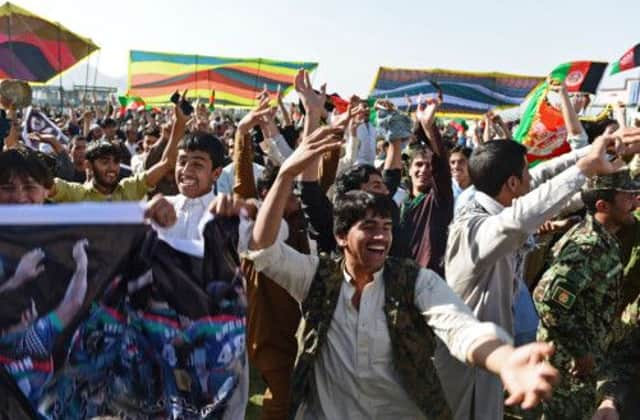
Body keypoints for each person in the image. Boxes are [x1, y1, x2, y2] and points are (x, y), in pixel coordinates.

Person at [236, 123, 560, 419]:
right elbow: (264, 251)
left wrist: (503, 359)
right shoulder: (315, 276)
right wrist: (285, 175)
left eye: (387, 227)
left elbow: (460, 326)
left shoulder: (414, 281)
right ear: (340, 237)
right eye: (369, 227)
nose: (381, 237)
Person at [437, 128, 640, 420]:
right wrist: (585, 168)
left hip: (496, 350)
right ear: (511, 183)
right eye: (526, 174)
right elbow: (521, 220)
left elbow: (545, 174)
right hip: (467, 357)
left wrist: (599, 150)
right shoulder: (474, 226)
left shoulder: (494, 202)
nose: (533, 179)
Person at [533, 169, 640, 419]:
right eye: (627, 197)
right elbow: (547, 299)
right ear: (603, 205)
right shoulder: (588, 246)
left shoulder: (605, 239)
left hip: (583, 363)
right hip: (565, 366)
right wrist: (581, 354)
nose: (634, 202)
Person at [0, 240, 89, 405]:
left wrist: (17, 279)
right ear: (26, 317)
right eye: (34, 310)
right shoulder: (32, 341)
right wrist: (81, 264)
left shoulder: (31, 341)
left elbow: (74, 304)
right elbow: (73, 303)